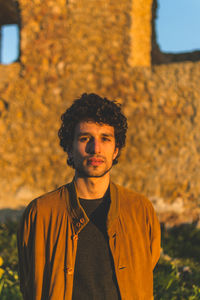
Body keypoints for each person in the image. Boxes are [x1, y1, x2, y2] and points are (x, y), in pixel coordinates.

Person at [17, 93, 161, 300]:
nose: (96, 149)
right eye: (85, 139)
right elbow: (29, 283)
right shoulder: (40, 214)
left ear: (116, 150)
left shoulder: (140, 210)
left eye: (105, 138)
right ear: (69, 149)